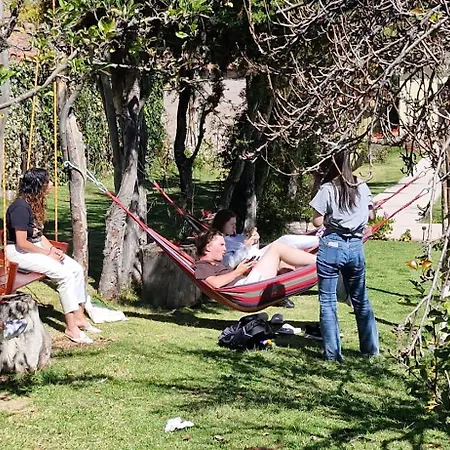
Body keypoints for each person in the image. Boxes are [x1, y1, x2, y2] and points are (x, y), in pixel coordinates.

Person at [6, 168, 100, 344]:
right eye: (47, 181)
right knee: (64, 275)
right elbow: (22, 242)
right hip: (18, 252)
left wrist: (52, 250)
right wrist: (47, 254)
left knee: (76, 269)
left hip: (33, 247)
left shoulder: (33, 203)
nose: (51, 184)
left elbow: (38, 236)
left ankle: (79, 318)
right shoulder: (20, 208)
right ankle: (71, 328)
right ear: (37, 185)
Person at [310, 151, 379, 361]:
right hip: (355, 246)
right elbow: (371, 215)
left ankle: (333, 354)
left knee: (328, 301)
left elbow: (317, 221)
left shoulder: (327, 188)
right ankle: (370, 350)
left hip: (332, 245)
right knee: (361, 299)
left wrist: (331, 217)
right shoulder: (361, 185)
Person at [193, 229, 316, 288]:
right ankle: (319, 261)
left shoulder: (216, 264)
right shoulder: (202, 265)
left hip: (248, 283)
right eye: (221, 245)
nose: (225, 249)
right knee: (276, 248)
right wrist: (238, 271)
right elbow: (214, 283)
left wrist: (246, 269)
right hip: (246, 288)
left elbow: (228, 278)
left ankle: (291, 284)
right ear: (208, 247)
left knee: (283, 259)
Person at [211, 209, 319, 269]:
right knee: (282, 244)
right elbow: (230, 263)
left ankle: (320, 242)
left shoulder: (236, 237)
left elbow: (253, 250)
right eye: (231, 224)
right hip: (254, 264)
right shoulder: (219, 241)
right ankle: (320, 252)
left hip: (259, 256)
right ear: (222, 223)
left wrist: (255, 240)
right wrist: (248, 244)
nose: (234, 227)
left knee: (286, 242)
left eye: (235, 224)